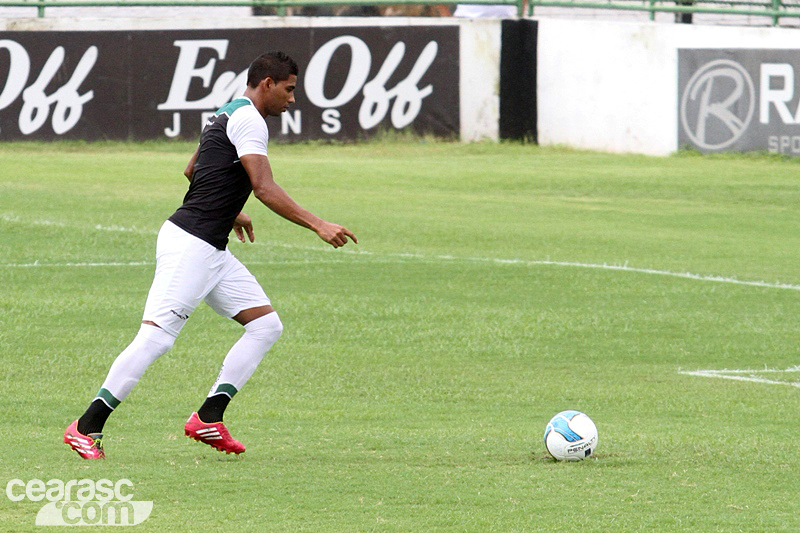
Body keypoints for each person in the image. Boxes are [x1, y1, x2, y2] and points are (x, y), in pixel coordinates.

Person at [64, 51, 357, 460]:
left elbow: (193, 170)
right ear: (268, 84)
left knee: (266, 326)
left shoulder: (225, 112)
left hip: (211, 247)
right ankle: (85, 427)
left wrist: (228, 209)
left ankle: (208, 418)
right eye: (289, 90)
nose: (293, 100)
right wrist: (318, 224)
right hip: (192, 245)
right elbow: (265, 187)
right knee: (155, 339)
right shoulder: (250, 119)